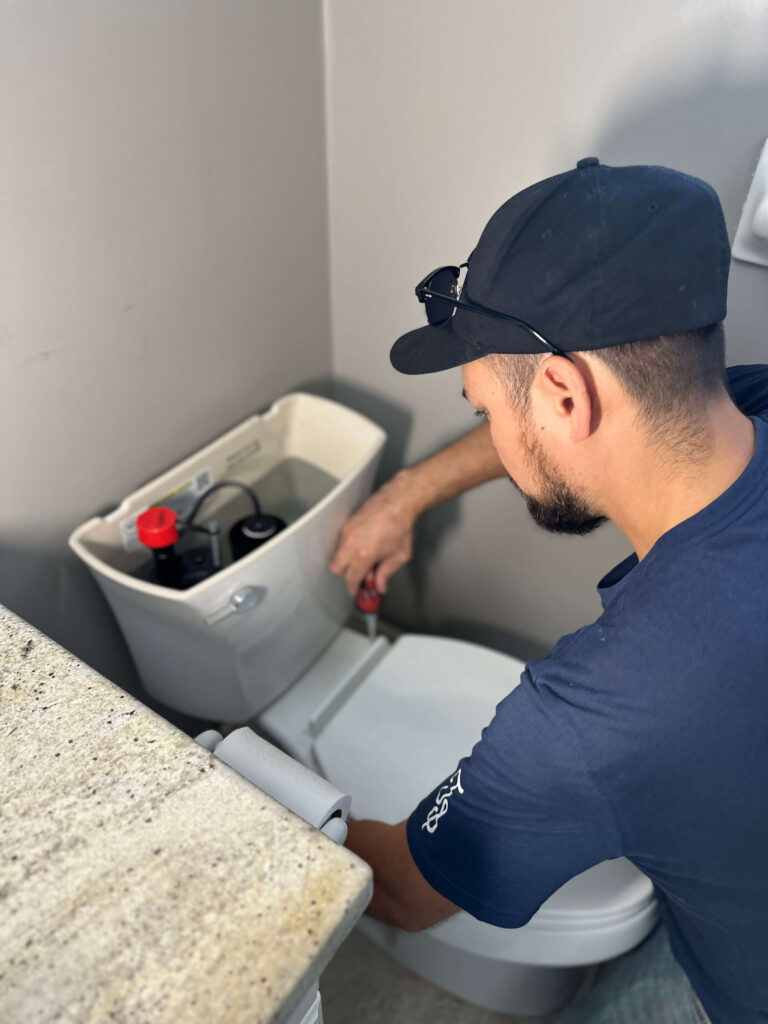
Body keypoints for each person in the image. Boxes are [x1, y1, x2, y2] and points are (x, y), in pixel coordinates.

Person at [329, 158, 768, 1024]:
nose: (490, 428)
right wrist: (405, 494)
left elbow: (407, 897)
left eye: (485, 409)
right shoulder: (733, 404)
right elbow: (575, 421)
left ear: (565, 394)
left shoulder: (599, 715)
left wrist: (249, 795)